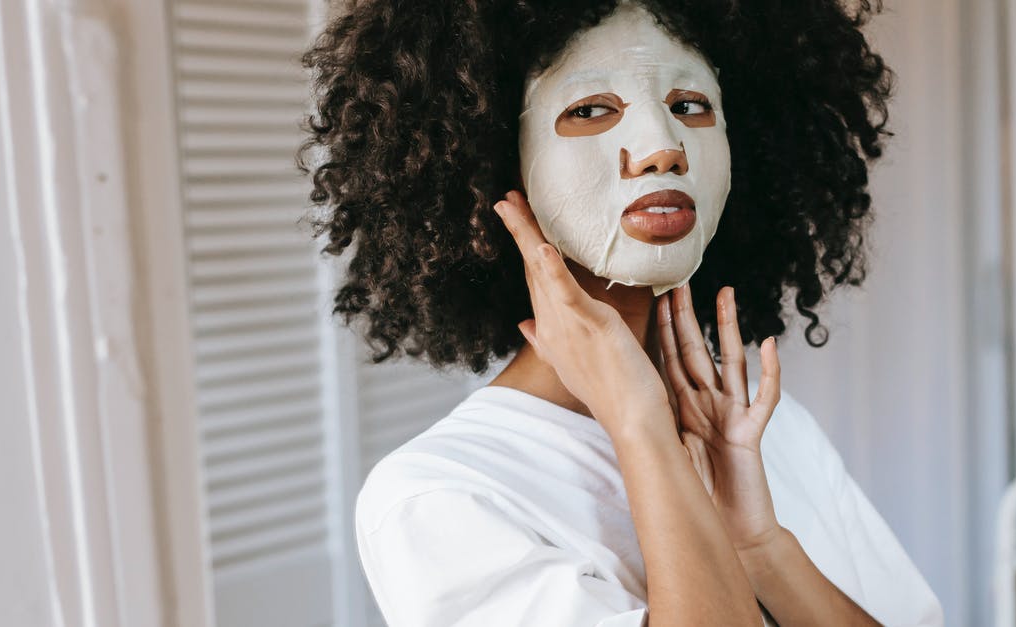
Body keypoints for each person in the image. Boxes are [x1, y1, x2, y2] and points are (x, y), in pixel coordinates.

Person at [301, 0, 943, 624]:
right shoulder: (439, 496)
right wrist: (640, 426)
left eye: (690, 106)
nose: (663, 149)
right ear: (494, 160)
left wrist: (760, 548)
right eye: (590, 110)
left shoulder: (761, 428)